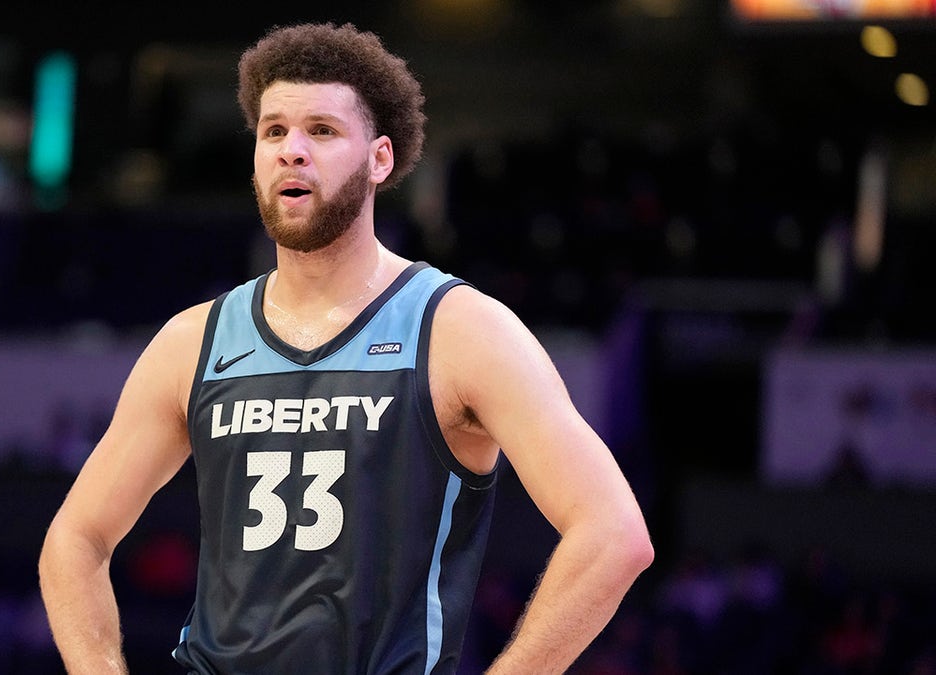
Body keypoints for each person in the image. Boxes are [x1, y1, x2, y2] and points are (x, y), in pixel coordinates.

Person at [39, 22, 653, 674]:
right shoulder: (193, 342)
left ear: (380, 159)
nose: (291, 151)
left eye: (322, 131)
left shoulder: (461, 330)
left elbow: (614, 534)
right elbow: (74, 539)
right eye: (273, 131)